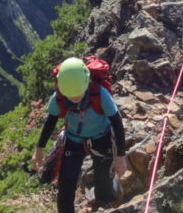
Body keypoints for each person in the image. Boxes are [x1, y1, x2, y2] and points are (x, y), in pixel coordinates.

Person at [32, 57, 127, 212]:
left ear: (87, 83)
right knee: (65, 189)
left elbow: (117, 123)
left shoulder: (100, 94)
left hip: (101, 137)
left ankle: (113, 183)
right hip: (73, 140)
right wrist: (38, 150)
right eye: (71, 95)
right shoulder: (58, 98)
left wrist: (121, 157)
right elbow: (50, 122)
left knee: (104, 195)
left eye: (78, 94)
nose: (75, 99)